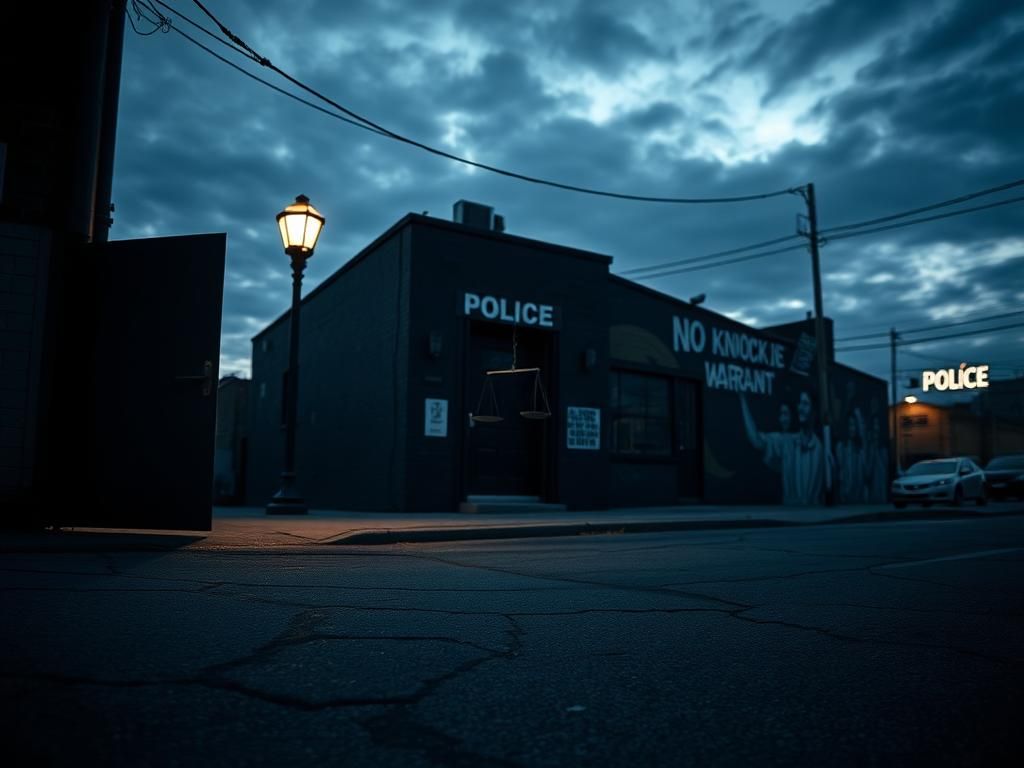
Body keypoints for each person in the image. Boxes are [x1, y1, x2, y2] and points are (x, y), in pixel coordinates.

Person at [740, 390, 826, 505]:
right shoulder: (787, 442)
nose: (800, 408)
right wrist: (743, 399)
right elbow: (757, 441)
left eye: (805, 404)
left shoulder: (821, 448)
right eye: (800, 403)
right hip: (791, 514)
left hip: (817, 515)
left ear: (815, 411)